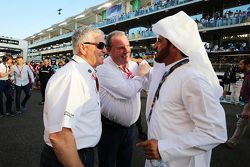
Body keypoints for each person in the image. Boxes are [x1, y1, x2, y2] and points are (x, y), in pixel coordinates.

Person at [136, 11, 227, 167]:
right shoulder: (166, 70)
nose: (155, 46)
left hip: (179, 161)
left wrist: (163, 148)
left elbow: (215, 131)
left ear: (175, 45)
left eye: (160, 40)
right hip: (158, 159)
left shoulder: (192, 78)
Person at [40, 26, 106, 167]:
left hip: (81, 152)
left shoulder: (82, 73)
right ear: (83, 48)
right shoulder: (72, 76)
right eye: (100, 45)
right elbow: (59, 135)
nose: (105, 50)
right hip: (68, 156)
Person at [96, 31, 151, 167]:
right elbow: (127, 91)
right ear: (108, 50)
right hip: (110, 129)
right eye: (120, 47)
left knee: (125, 163)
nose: (126, 51)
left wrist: (142, 65)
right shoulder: (103, 68)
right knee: (107, 163)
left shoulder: (132, 65)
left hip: (129, 129)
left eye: (128, 46)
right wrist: (140, 74)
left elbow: (148, 86)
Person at [226, 58, 250, 148]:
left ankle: (232, 142)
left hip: (249, 104)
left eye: (241, 64)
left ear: (248, 65)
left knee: (241, 122)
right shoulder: (247, 75)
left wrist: (247, 108)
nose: (239, 66)